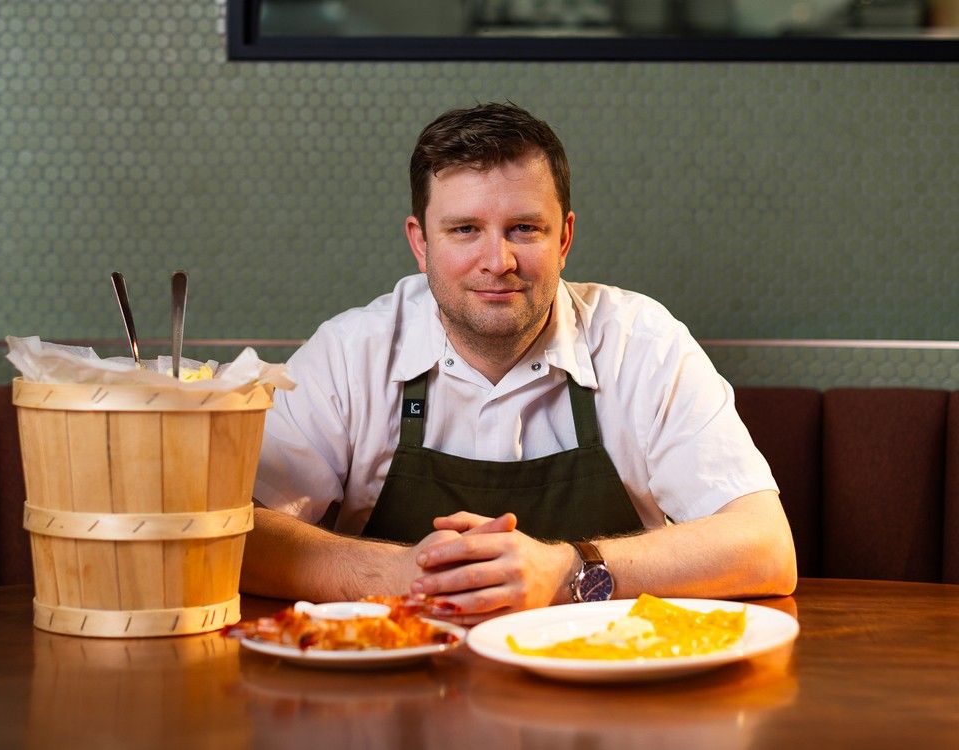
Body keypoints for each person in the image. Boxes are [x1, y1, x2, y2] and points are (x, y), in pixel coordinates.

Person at [243, 102, 797, 624]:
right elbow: (239, 534)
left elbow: (767, 547)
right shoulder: (349, 353)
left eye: (524, 229)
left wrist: (570, 571)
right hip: (397, 693)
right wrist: (403, 574)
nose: (498, 261)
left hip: (605, 691)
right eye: (465, 230)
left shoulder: (642, 343)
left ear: (565, 239)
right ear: (421, 243)